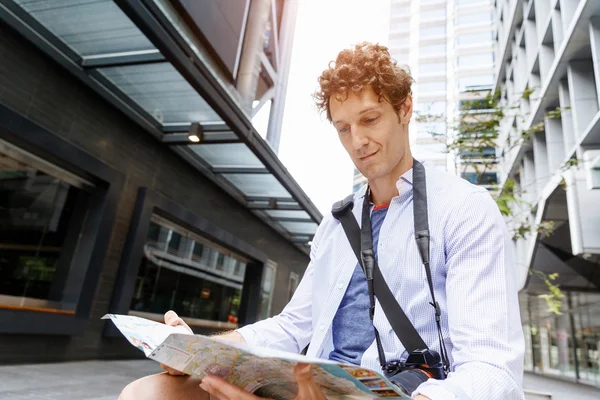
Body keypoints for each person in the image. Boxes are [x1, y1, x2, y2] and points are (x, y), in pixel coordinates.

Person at [119, 42, 525, 400]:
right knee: (147, 393)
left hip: (399, 392)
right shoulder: (337, 223)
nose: (357, 142)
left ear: (404, 109)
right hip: (306, 385)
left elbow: (493, 368)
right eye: (343, 128)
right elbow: (295, 324)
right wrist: (197, 351)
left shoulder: (464, 208)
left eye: (369, 120)